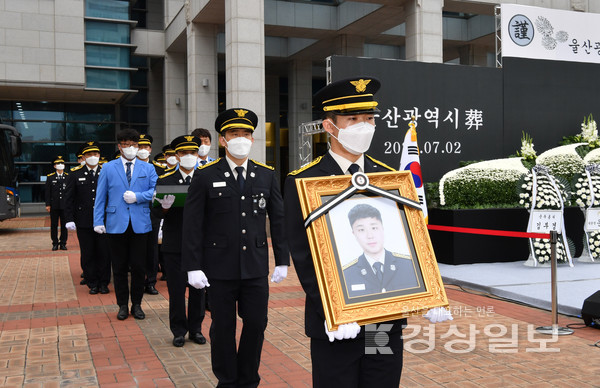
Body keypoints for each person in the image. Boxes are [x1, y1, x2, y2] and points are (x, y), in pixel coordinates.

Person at [284, 76, 451, 388]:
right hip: (337, 324)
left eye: (369, 118)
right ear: (330, 126)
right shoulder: (304, 182)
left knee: (382, 382)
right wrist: (331, 309)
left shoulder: (389, 178)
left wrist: (430, 291)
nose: (364, 126)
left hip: (383, 323)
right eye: (353, 119)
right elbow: (304, 256)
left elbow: (411, 238)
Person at [181, 108, 289, 387]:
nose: (240, 138)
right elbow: (192, 224)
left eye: (246, 134)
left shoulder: (266, 175)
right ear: (222, 140)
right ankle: (227, 380)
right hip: (219, 268)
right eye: (234, 134)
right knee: (223, 328)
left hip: (254, 267)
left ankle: (248, 378)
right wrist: (192, 266)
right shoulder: (205, 175)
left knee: (256, 324)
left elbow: (278, 218)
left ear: (253, 139)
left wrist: (282, 259)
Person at [93, 128, 158, 321]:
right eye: (127, 144)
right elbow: (100, 196)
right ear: (119, 146)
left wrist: (137, 197)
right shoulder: (108, 167)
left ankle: (137, 304)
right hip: (115, 224)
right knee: (119, 267)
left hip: (140, 223)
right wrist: (98, 221)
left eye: (134, 144)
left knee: (139, 267)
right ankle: (122, 305)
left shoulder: (148, 168)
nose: (131, 148)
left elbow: (155, 192)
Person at [153, 135, 207, 347]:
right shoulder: (165, 180)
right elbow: (156, 212)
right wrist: (164, 206)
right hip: (174, 243)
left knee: (198, 290)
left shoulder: (205, 178)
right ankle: (178, 330)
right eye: (184, 153)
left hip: (200, 244)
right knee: (176, 291)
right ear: (176, 155)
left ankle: (196, 329)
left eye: (192, 153)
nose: (188, 157)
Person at [342, 203, 419, 298]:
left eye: (374, 228)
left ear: (382, 228)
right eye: (361, 230)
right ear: (354, 234)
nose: (370, 236)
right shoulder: (346, 275)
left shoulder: (410, 265)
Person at [64, 141, 111, 295]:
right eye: (89, 154)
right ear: (83, 157)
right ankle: (92, 283)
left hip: (104, 221)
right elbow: (68, 199)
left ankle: (104, 283)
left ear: (99, 156)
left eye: (95, 154)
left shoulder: (106, 172)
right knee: (88, 252)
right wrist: (69, 219)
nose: (93, 157)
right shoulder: (75, 173)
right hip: (83, 220)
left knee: (104, 252)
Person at [136, 133, 161, 295]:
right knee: (137, 249)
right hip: (136, 213)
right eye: (140, 147)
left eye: (145, 147)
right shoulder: (130, 169)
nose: (143, 150)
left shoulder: (160, 169)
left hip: (153, 214)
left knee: (152, 250)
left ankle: (151, 282)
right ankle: (137, 280)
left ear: (150, 149)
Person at [45, 156, 68, 251]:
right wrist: (48, 204)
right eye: (58, 164)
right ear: (54, 166)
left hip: (65, 205)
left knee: (64, 225)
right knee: (54, 225)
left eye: (62, 163)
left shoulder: (68, 176)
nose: (60, 165)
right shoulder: (50, 177)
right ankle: (55, 243)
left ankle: (63, 243)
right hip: (54, 206)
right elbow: (47, 192)